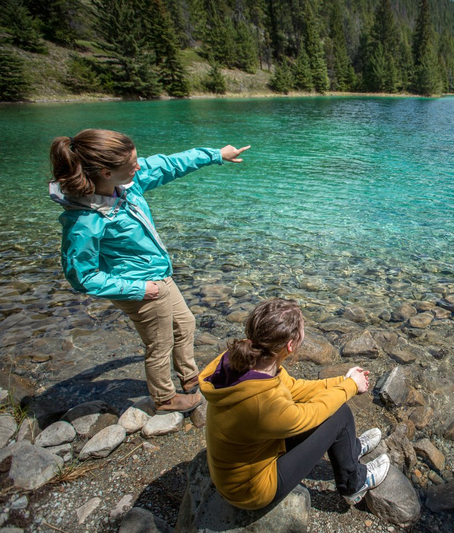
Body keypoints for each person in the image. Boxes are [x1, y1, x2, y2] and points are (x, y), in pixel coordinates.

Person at [49, 129, 250, 414]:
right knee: (160, 343)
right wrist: (140, 289)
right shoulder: (84, 220)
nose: (139, 165)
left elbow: (169, 164)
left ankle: (190, 379)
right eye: (132, 162)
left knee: (186, 324)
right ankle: (165, 399)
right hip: (138, 287)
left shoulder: (127, 185)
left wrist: (216, 155)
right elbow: (82, 276)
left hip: (158, 275)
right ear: (106, 173)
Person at [199, 298, 390, 509]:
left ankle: (350, 449)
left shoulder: (242, 360)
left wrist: (343, 382)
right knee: (339, 414)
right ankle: (354, 484)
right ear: (290, 345)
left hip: (254, 451)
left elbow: (295, 388)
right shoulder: (264, 404)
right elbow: (312, 413)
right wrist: (350, 387)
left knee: (336, 408)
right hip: (250, 489)